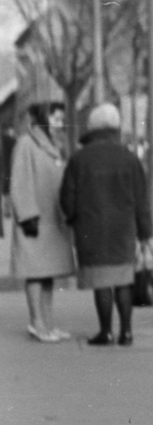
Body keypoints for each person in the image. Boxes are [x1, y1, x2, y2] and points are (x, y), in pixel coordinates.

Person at [60, 104, 151, 347]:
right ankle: (127, 332)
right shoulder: (129, 158)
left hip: (91, 229)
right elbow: (141, 199)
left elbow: (67, 197)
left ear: (92, 128)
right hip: (123, 230)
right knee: (123, 279)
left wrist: (73, 218)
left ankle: (106, 332)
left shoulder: (79, 159)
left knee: (101, 281)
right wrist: (144, 231)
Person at [8, 103, 74, 342]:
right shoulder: (26, 143)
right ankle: (37, 323)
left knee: (48, 274)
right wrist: (26, 216)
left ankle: (47, 323)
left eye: (61, 119)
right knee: (36, 273)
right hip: (36, 221)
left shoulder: (54, 145)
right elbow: (19, 181)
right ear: (44, 119)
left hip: (52, 220)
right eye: (55, 119)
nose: (60, 123)